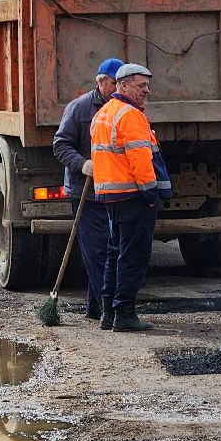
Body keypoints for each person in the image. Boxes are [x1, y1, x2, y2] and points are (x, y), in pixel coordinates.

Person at [90, 63, 172, 332]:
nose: (146, 90)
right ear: (122, 85)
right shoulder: (131, 116)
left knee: (115, 253)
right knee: (133, 255)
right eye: (140, 85)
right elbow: (141, 160)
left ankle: (108, 313)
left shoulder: (103, 114)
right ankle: (125, 312)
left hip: (111, 195)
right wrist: (150, 194)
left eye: (147, 85)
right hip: (133, 195)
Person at [52, 56, 124, 321]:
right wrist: (83, 165)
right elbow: (60, 145)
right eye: (116, 83)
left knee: (110, 249)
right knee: (97, 251)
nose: (119, 88)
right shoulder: (79, 108)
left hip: (116, 191)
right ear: (102, 82)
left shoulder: (124, 110)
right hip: (87, 192)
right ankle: (109, 307)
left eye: (123, 83)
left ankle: (96, 308)